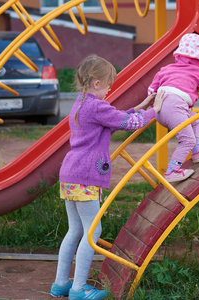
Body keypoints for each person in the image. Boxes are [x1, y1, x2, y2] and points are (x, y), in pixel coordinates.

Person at [50, 54, 166, 299]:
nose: (109, 90)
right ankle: (79, 289)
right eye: (108, 85)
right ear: (96, 84)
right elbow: (127, 123)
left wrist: (142, 105)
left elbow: (112, 122)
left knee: (74, 231)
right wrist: (154, 112)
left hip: (70, 175)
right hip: (86, 177)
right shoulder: (96, 105)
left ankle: (61, 283)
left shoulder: (80, 103)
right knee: (92, 232)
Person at [148, 33, 199, 183]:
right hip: (175, 108)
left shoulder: (166, 69)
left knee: (194, 120)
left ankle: (197, 151)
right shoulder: (197, 72)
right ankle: (172, 171)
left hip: (160, 109)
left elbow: (151, 91)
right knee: (187, 139)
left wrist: (156, 106)